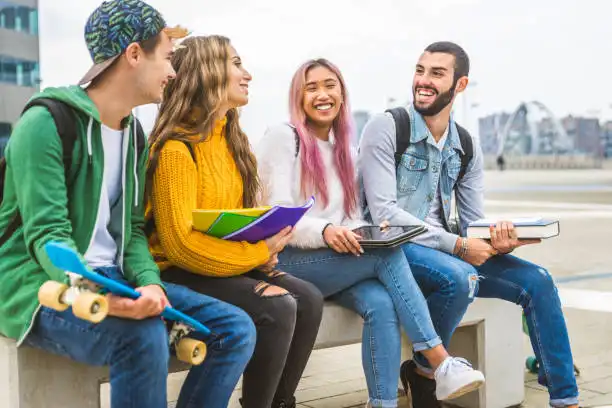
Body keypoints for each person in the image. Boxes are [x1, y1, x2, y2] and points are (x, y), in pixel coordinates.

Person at [0, 2, 257, 407]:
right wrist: (105, 296)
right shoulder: (45, 123)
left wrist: (149, 282)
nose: (173, 73)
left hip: (115, 274)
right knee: (140, 337)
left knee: (234, 328)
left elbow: (132, 230)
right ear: (134, 55)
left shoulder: (133, 134)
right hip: (39, 287)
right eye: (168, 58)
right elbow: (47, 236)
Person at [359, 41, 579, 408]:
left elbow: (474, 221)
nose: (423, 81)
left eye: (437, 73)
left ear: (460, 85)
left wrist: (497, 241)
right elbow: (384, 214)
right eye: (420, 70)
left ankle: (566, 399)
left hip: (447, 250)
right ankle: (426, 370)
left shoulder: (465, 144)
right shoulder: (386, 127)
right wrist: (460, 246)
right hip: (395, 250)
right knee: (460, 277)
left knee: (538, 281)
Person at [256, 58, 485, 408]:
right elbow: (277, 215)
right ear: (298, 96)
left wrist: (358, 231)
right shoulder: (284, 137)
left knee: (381, 303)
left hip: (333, 260)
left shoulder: (347, 151)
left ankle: (382, 402)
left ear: (342, 93)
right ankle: (440, 361)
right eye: (311, 87)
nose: (322, 94)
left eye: (330, 85)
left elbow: (350, 217)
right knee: (387, 252)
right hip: (288, 259)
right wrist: (328, 230)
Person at [146, 35, 324, 408]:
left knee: (308, 298)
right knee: (278, 307)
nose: (248, 75)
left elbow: (232, 221)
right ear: (208, 73)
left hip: (223, 265)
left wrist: (264, 239)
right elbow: (180, 247)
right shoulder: (177, 151)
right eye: (236, 64)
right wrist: (257, 254)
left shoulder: (231, 141)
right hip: (178, 271)